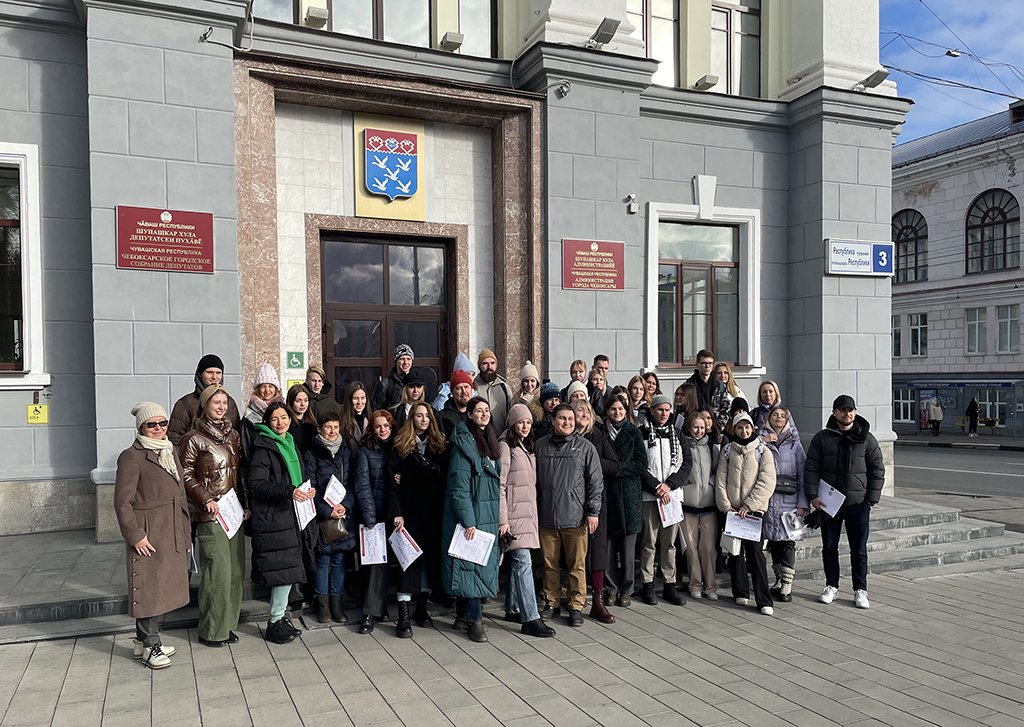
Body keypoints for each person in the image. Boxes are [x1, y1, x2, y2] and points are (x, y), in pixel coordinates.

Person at [114, 402, 191, 669]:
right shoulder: (131, 456)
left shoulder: (169, 450)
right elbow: (122, 502)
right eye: (152, 424)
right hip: (149, 530)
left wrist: (184, 528)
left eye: (162, 423)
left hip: (170, 526)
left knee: (161, 585)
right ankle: (151, 645)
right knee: (148, 586)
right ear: (141, 427)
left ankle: (141, 642)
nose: (158, 428)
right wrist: (135, 534)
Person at [179, 385, 247, 648]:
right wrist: (205, 499)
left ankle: (226, 625)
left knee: (235, 573)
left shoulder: (233, 435)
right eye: (216, 402)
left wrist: (245, 504)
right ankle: (210, 630)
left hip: (233, 513)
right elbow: (185, 475)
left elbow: (241, 472)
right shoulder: (193, 438)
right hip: (211, 515)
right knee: (217, 574)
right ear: (205, 405)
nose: (221, 407)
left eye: (224, 402)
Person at [804, 395, 885, 609]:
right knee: (829, 547)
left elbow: (877, 469)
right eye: (842, 410)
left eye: (850, 410)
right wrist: (812, 495)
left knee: (859, 549)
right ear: (834, 412)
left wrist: (870, 500)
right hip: (829, 504)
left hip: (858, 504)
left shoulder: (867, 439)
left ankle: (860, 589)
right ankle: (832, 586)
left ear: (855, 412)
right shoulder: (822, 438)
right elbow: (811, 468)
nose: (847, 413)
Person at [248, 402, 318, 644]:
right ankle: (274, 622)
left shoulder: (289, 441)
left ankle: (279, 618)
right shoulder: (263, 447)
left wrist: (305, 490)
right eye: (275, 419)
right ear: (267, 422)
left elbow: (296, 477)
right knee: (283, 572)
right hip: (275, 518)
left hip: (292, 514)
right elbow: (256, 484)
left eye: (284, 417)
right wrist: (289, 491)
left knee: (288, 571)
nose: (280, 422)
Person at [535, 403, 604, 627]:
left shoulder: (585, 447)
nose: (567, 423)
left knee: (577, 565)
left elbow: (595, 482)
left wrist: (593, 511)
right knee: (549, 564)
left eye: (570, 419)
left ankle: (576, 606)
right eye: (562, 418)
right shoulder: (540, 446)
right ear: (553, 420)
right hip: (546, 516)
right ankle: (552, 602)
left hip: (576, 516)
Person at [304, 411, 375, 624]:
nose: (333, 431)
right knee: (322, 561)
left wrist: (346, 505)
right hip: (323, 517)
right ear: (319, 429)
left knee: (339, 561)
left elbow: (353, 484)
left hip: (343, 515)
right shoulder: (311, 454)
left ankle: (337, 604)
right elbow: (310, 488)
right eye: (328, 427)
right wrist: (327, 510)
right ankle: (323, 606)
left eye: (336, 427)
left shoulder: (346, 453)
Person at [442, 398, 502, 643]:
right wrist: (469, 521)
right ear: (470, 414)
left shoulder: (489, 438)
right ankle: (475, 621)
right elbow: (459, 487)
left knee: (471, 565)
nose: (484, 414)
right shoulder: (464, 443)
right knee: (471, 567)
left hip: (486, 514)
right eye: (479, 411)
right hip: (473, 516)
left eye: (487, 410)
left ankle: (461, 616)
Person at [387, 401, 448, 637]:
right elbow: (392, 483)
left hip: (432, 513)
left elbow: (442, 479)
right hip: (409, 513)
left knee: (428, 562)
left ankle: (421, 608)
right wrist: (397, 512)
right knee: (408, 561)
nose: (423, 419)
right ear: (411, 418)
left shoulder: (439, 445)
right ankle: (403, 615)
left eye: (427, 416)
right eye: (419, 415)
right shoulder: (401, 446)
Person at [498, 404, 555, 637]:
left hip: (526, 515)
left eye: (529, 422)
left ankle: (513, 609)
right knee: (523, 563)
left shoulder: (526, 445)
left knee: (518, 563)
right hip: (513, 518)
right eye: (521, 422)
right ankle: (531, 618)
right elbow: (500, 485)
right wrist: (503, 520)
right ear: (512, 422)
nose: (525, 426)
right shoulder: (506, 446)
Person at [716, 412, 776, 615]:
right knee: (735, 551)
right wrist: (726, 505)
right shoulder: (727, 450)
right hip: (732, 511)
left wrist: (749, 506)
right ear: (734, 429)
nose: (744, 431)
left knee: (755, 554)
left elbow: (767, 481)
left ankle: (764, 600)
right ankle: (740, 591)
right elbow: (721, 480)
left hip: (753, 511)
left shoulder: (762, 450)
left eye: (747, 427)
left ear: (752, 428)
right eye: (739, 427)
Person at [638, 394, 692, 606]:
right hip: (650, 497)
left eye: (667, 410)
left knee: (669, 543)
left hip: (672, 497)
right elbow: (640, 464)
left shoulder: (678, 434)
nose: (663, 413)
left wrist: (669, 485)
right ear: (652, 410)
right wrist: (656, 487)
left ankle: (670, 584)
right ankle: (648, 584)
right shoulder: (641, 433)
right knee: (649, 542)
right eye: (660, 409)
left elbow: (686, 464)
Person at [571, 399, 619, 624]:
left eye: (587, 411)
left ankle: (598, 601)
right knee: (575, 551)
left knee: (597, 550)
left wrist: (591, 457)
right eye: (579, 410)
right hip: (571, 502)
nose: (584, 414)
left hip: (597, 501)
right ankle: (577, 596)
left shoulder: (599, 437)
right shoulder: (563, 437)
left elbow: (614, 466)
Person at [603, 394, 646, 607]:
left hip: (629, 495)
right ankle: (610, 589)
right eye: (613, 409)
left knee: (628, 549)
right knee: (609, 547)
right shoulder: (602, 433)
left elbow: (642, 463)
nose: (617, 412)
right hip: (608, 494)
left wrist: (617, 469)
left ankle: (627, 589)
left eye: (620, 409)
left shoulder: (634, 432)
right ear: (607, 411)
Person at [354, 410, 395, 634]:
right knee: (375, 566)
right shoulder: (365, 452)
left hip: (395, 515)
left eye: (386, 425)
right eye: (378, 426)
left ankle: (382, 607)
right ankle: (369, 613)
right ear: (372, 429)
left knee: (387, 565)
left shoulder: (397, 448)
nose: (383, 430)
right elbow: (363, 487)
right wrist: (370, 519)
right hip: (376, 517)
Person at [760, 407, 807, 603]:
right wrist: (763, 441)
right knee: (773, 541)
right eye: (775, 415)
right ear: (769, 419)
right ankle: (779, 579)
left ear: (787, 420)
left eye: (782, 415)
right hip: (769, 500)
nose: (778, 418)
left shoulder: (795, 443)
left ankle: (787, 583)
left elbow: (803, 474)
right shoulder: (760, 439)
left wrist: (803, 503)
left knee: (788, 542)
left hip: (790, 501)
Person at [679, 411, 719, 601]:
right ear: (689, 427)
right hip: (688, 504)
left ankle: (710, 586)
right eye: (695, 427)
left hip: (708, 504)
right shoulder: (682, 445)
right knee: (691, 547)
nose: (699, 431)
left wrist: (710, 485)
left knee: (708, 548)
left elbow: (718, 470)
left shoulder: (712, 447)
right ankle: (695, 584)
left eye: (702, 427)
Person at [169, 354, 241, 447]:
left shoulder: (230, 402)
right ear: (200, 374)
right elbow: (175, 438)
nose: (214, 377)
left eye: (218, 373)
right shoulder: (185, 403)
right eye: (209, 372)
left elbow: (236, 435)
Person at [240, 362, 284, 461]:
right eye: (263, 386)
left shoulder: (284, 410)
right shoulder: (248, 416)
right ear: (257, 389)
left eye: (271, 386)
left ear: (276, 388)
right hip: (259, 462)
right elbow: (246, 446)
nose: (267, 390)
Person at [474, 349, 512, 435]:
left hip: (501, 437)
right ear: (479, 366)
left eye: (492, 363)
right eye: (485, 363)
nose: (489, 367)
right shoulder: (473, 387)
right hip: (479, 438)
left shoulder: (504, 387)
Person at [371, 344, 415, 412]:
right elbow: (375, 410)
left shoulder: (418, 384)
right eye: (402, 359)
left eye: (408, 359)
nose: (405, 362)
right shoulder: (385, 384)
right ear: (396, 361)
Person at [439, 369, 475, 439]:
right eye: (459, 388)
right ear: (452, 392)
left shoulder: (482, 413)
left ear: (471, 389)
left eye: (466, 387)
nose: (464, 391)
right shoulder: (440, 418)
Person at [339, 381, 370, 455]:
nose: (359, 402)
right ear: (349, 400)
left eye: (363, 398)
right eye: (356, 398)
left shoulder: (372, 419)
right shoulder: (341, 422)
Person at [712, 362, 746, 431]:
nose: (722, 376)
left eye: (725, 373)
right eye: (719, 373)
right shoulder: (712, 391)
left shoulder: (736, 390)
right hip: (718, 426)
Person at [286, 383, 318, 454]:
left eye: (306, 400)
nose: (303, 404)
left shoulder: (312, 424)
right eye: (298, 401)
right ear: (291, 402)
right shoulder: (287, 424)